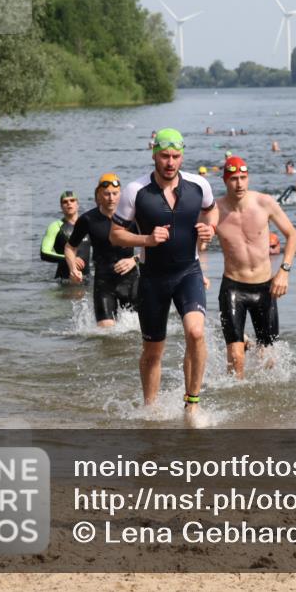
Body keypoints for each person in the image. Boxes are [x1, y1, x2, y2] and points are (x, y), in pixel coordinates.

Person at [110, 128, 216, 423]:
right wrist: (146, 240)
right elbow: (116, 235)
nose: (170, 162)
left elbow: (212, 211)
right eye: (165, 156)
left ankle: (192, 403)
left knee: (196, 332)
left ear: (183, 156)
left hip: (188, 272)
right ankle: (150, 409)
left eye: (176, 156)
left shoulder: (199, 185)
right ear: (154, 153)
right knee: (153, 349)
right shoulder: (136, 191)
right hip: (153, 278)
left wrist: (210, 229)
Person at [211, 155, 296, 379]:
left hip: (265, 289)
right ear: (225, 181)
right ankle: (238, 405)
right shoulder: (215, 210)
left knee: (268, 361)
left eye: (243, 178)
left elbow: (292, 235)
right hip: (233, 287)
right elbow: (197, 242)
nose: (239, 183)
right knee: (236, 360)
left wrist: (284, 272)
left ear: (248, 178)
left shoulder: (264, 203)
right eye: (233, 179)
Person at [65, 174, 140, 327]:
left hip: (131, 280)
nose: (111, 198)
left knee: (136, 331)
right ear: (98, 194)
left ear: (121, 194)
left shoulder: (133, 217)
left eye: (115, 193)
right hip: (104, 281)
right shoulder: (88, 219)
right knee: (105, 332)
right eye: (106, 194)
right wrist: (73, 268)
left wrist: (134, 260)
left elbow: (153, 244)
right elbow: (70, 247)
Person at [40, 190, 90, 281]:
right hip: (64, 280)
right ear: (61, 206)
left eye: (72, 200)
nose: (69, 204)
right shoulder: (55, 226)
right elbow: (44, 253)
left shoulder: (87, 224)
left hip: (86, 279)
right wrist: (70, 259)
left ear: (77, 204)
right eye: (65, 202)